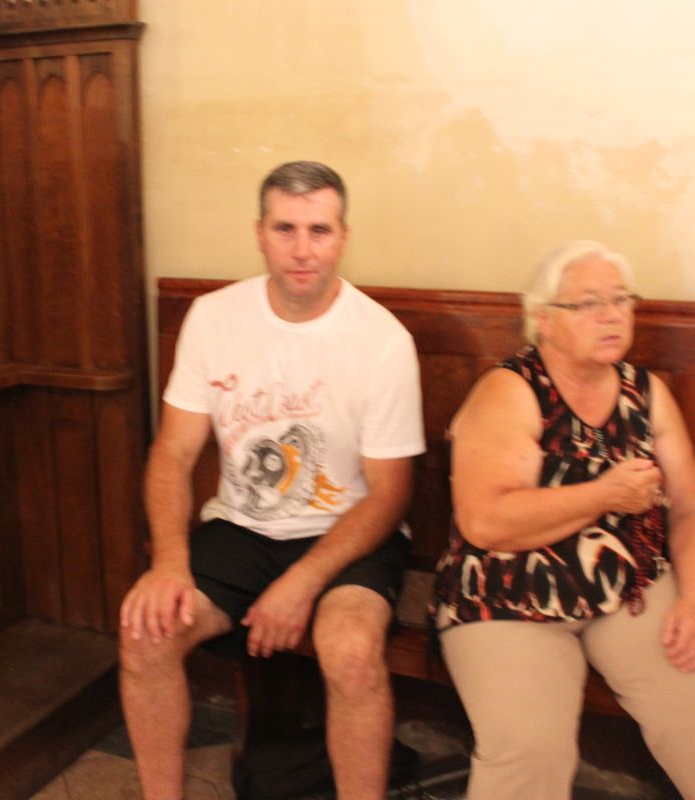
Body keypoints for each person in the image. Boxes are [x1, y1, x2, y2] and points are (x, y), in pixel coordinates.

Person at [120, 161, 426, 800]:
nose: (302, 249)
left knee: (349, 652)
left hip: (347, 534)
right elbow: (173, 451)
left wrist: (302, 582)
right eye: (285, 229)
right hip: (241, 527)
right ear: (260, 233)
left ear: (343, 237)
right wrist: (169, 562)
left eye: (319, 230)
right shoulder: (213, 318)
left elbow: (390, 493)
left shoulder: (381, 341)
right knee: (145, 634)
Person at [433, 241, 695, 799]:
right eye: (587, 304)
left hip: (628, 582)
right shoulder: (510, 390)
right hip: (509, 591)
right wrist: (603, 495)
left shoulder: (645, 393)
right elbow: (485, 523)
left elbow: (692, 508)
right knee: (530, 745)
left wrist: (694, 601)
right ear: (543, 320)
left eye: (620, 300)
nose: (611, 315)